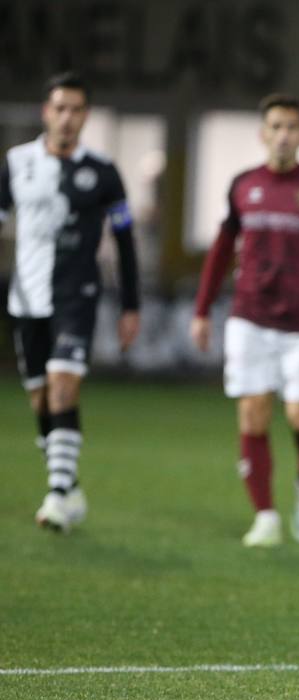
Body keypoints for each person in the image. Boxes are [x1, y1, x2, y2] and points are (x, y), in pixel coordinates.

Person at [190, 92, 299, 547]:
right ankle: (265, 516)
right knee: (252, 414)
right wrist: (202, 309)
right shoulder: (243, 185)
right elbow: (221, 251)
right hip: (248, 316)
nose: (284, 135)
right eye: (276, 127)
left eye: (292, 128)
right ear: (263, 133)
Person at [0, 71, 141, 533]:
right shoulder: (15, 163)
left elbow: (124, 241)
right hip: (27, 295)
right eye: (59, 108)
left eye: (76, 110)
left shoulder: (103, 172)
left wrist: (130, 304)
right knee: (41, 399)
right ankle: (70, 484)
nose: (67, 118)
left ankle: (58, 496)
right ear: (46, 113)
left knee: (64, 387)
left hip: (77, 294)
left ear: (86, 116)